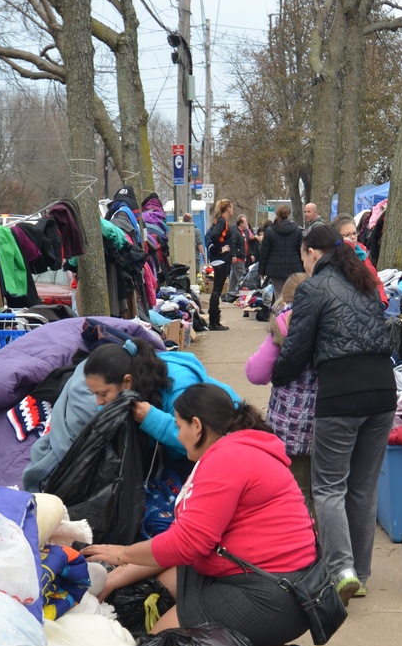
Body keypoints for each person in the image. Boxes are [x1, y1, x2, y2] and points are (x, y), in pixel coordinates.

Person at [84, 386, 317, 646]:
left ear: (197, 425)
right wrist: (113, 577)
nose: (177, 435)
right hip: (273, 582)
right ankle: (245, 644)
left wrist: (121, 553)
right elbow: (183, 541)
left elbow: (185, 544)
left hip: (271, 597)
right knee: (161, 583)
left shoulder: (227, 461)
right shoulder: (234, 450)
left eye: (178, 425)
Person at [271, 222, 396, 604]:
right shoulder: (364, 281)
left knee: (328, 487)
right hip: (383, 390)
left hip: (341, 393)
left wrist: (277, 376)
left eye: (303, 257)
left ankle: (339, 570)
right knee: (362, 487)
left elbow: (297, 349)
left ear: (311, 253)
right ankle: (360, 572)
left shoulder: (312, 288)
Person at [22, 335, 239, 490]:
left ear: (127, 382)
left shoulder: (180, 387)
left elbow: (203, 441)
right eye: (94, 394)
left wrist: (152, 419)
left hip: (227, 438)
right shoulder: (134, 380)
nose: (99, 402)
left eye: (103, 394)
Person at [244, 271, 314, 507]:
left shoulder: (285, 324)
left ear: (285, 300)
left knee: (299, 492)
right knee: (330, 492)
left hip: (291, 426)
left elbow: (256, 374)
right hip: (330, 424)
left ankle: (308, 541)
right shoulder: (333, 320)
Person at [332, 216, 388, 305]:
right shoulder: (334, 258)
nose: (353, 237)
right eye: (347, 235)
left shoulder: (362, 252)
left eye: (354, 233)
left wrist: (382, 301)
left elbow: (375, 280)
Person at [258, 203, 304, 299]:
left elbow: (264, 252)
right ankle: (290, 312)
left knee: (279, 294)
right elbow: (301, 251)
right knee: (292, 294)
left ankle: (280, 312)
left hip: (275, 269)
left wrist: (261, 271)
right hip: (294, 268)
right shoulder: (296, 230)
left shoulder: (270, 231)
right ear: (288, 215)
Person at [205, 198, 234, 329]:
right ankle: (213, 321)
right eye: (232, 207)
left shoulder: (220, 220)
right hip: (221, 259)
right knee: (217, 290)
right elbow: (214, 235)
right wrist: (220, 249)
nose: (233, 210)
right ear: (228, 209)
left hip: (218, 259)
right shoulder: (222, 221)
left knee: (217, 290)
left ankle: (214, 320)